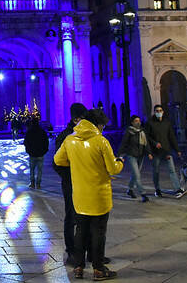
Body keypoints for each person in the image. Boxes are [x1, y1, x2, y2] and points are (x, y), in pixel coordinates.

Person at [54, 109, 124, 281]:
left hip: (79, 194)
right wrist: (120, 162)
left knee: (80, 231)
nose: (103, 128)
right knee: (98, 232)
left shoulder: (70, 140)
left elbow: (58, 160)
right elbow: (112, 169)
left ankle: (78, 267)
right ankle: (98, 269)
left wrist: (76, 164)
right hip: (98, 195)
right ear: (97, 124)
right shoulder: (101, 141)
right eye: (102, 125)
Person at [53, 102, 86, 266]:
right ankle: (71, 251)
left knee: (88, 218)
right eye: (83, 118)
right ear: (76, 119)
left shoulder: (87, 136)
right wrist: (70, 177)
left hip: (87, 183)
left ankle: (91, 253)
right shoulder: (65, 137)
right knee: (71, 217)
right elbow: (57, 163)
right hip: (71, 184)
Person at [144, 105, 185, 198]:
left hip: (166, 150)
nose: (159, 112)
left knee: (172, 170)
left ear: (163, 111)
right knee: (156, 171)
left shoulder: (167, 123)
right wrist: (153, 146)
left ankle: (177, 189)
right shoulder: (150, 123)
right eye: (157, 111)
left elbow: (171, 137)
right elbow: (146, 137)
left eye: (160, 110)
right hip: (155, 152)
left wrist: (177, 149)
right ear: (154, 112)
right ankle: (157, 189)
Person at [117, 115, 151, 202]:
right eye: (136, 121)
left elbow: (146, 143)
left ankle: (130, 190)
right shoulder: (129, 132)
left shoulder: (142, 132)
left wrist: (149, 153)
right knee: (137, 175)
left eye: (139, 120)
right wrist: (119, 154)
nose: (138, 122)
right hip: (131, 155)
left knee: (135, 175)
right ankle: (143, 193)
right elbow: (124, 143)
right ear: (132, 122)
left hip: (141, 155)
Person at [24, 117, 49, 189]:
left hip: (32, 154)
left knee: (32, 169)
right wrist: (45, 151)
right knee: (40, 170)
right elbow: (46, 142)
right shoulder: (42, 132)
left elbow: (26, 142)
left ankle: (32, 183)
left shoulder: (29, 132)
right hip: (41, 154)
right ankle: (38, 184)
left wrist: (28, 151)